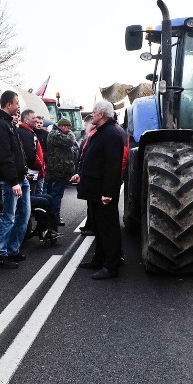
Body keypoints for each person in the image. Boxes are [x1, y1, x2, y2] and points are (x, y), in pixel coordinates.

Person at [71, 100, 125, 280]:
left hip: (103, 193)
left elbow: (112, 167)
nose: (91, 114)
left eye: (94, 112)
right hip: (95, 191)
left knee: (108, 229)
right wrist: (82, 175)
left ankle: (111, 267)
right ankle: (99, 259)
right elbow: (94, 161)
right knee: (100, 228)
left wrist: (108, 193)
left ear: (101, 115)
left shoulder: (111, 133)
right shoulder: (103, 132)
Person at [0, 90, 30, 269]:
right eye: (17, 103)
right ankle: (1, 254)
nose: (18, 106)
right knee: (9, 217)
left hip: (20, 178)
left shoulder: (9, 124)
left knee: (24, 214)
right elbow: (3, 156)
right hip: (10, 181)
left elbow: (16, 152)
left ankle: (13, 249)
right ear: (8, 105)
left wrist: (23, 172)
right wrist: (13, 182)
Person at [17, 109, 59, 240]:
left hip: (31, 175)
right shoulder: (26, 134)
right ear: (26, 120)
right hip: (28, 176)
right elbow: (30, 156)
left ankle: (48, 230)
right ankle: (45, 231)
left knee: (46, 198)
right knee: (43, 201)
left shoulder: (30, 132)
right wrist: (40, 166)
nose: (36, 120)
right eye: (33, 118)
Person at [45, 117, 77, 226]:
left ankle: (54, 216)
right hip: (58, 170)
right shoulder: (54, 134)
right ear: (61, 126)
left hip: (61, 170)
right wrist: (71, 134)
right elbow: (70, 141)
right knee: (56, 195)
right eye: (67, 127)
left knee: (57, 194)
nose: (69, 130)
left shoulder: (59, 134)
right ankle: (54, 217)